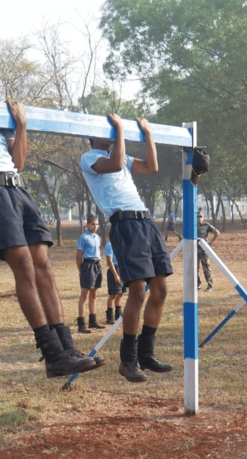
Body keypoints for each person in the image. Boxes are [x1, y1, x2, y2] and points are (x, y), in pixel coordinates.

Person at [0, 60, 102, 378]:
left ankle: (66, 347)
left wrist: (21, 127)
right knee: (25, 269)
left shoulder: (1, 116)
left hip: (18, 190)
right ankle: (51, 353)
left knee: (44, 266)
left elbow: (18, 164)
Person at [81, 114, 173, 383]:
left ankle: (147, 354)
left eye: (113, 132)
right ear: (94, 135)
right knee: (137, 292)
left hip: (146, 222)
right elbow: (115, 163)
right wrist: (120, 129)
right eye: (107, 131)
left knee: (161, 289)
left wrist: (148, 135)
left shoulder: (121, 157)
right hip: (125, 225)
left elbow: (152, 166)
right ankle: (128, 361)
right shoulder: (90, 158)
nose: (111, 135)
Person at [76, 214, 105, 333]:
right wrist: (81, 271)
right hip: (88, 266)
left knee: (94, 294)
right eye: (92, 224)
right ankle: (81, 324)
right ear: (87, 224)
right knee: (84, 295)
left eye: (96, 224)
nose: (95, 226)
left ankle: (93, 321)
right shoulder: (84, 238)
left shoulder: (97, 237)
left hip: (97, 266)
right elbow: (78, 256)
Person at [104, 239, 126, 325]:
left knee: (120, 293)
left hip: (122, 269)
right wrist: (115, 275)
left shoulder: (122, 243)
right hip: (114, 269)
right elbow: (110, 261)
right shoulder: (109, 244)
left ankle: (118, 315)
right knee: (113, 294)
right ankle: (110, 317)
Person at [197, 213, 219, 291]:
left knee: (206, 268)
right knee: (194, 269)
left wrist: (211, 242)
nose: (199, 219)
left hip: (204, 250)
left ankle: (210, 285)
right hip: (194, 250)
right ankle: (197, 284)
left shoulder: (206, 225)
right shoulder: (192, 226)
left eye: (200, 217)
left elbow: (217, 233)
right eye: (197, 217)